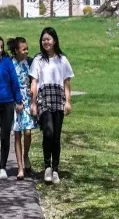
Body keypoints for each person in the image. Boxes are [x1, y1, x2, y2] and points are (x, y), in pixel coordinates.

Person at [30, 27, 74, 185]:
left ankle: (55, 169)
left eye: (48, 39)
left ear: (54, 40)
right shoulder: (38, 60)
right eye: (43, 39)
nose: (46, 42)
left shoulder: (62, 59)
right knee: (47, 132)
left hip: (58, 98)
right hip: (44, 98)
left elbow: (66, 82)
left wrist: (68, 101)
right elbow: (34, 82)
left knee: (56, 136)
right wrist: (33, 103)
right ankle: (47, 166)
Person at [0, 34, 22, 179]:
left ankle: (3, 166)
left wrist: (18, 100)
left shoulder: (7, 62)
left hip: (8, 103)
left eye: (1, 47)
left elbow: (14, 81)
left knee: (5, 135)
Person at [10, 36, 37, 180]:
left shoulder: (30, 62)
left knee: (27, 132)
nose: (26, 51)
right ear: (16, 50)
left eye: (27, 49)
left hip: (27, 100)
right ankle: (20, 166)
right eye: (23, 49)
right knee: (17, 134)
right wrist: (15, 101)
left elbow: (34, 80)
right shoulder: (11, 64)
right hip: (15, 101)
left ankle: (26, 156)